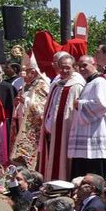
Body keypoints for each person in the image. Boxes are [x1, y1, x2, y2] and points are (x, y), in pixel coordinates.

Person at [68, 54, 106, 178]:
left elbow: (102, 105)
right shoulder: (91, 82)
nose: (81, 69)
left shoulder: (99, 82)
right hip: (89, 135)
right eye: (79, 67)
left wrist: (79, 104)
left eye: (84, 65)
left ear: (94, 64)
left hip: (96, 134)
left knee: (94, 171)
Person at [38, 52, 85, 183]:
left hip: (66, 130)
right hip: (52, 130)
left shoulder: (77, 84)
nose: (64, 70)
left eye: (67, 67)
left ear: (74, 67)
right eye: (62, 67)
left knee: (62, 158)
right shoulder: (57, 82)